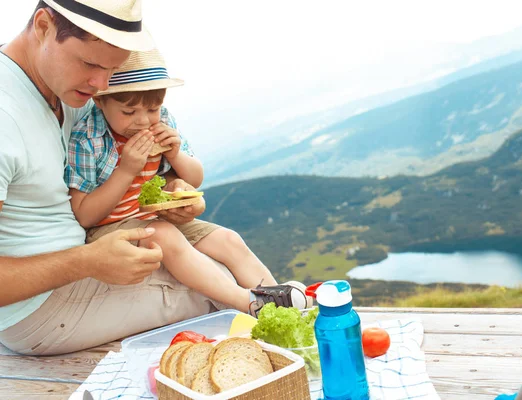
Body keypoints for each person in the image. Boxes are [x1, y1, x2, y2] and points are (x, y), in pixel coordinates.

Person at [0, 0, 301, 356]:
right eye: (90, 63)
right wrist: (87, 260)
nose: (100, 85)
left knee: (232, 259)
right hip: (43, 310)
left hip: (85, 267)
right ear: (43, 25)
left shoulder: (59, 84)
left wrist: (177, 194)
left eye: (112, 70)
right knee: (239, 288)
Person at [65, 48, 310, 316]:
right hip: (111, 230)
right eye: (129, 111)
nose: (143, 120)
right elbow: (85, 216)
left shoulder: (164, 122)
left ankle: (285, 310)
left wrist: (175, 155)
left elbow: (195, 178)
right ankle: (250, 302)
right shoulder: (87, 139)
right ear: (101, 103)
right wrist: (125, 170)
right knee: (164, 235)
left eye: (152, 109)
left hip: (155, 219)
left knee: (229, 239)